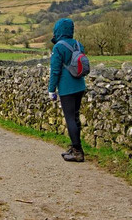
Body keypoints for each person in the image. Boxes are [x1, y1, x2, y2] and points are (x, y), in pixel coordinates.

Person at [48, 18, 86, 162]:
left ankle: (77, 152)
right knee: (75, 118)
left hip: (67, 88)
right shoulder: (78, 44)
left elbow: (55, 71)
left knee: (70, 119)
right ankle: (77, 148)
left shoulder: (58, 47)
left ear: (58, 30)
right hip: (80, 86)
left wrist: (52, 90)